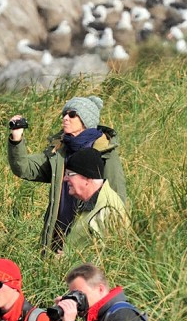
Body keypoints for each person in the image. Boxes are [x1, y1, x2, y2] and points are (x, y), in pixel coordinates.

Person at [8, 95, 128, 251]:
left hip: (85, 241)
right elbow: (24, 168)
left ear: (86, 119)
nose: (65, 118)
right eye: (64, 114)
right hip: (56, 236)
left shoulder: (105, 153)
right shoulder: (59, 151)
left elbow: (117, 199)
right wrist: (16, 139)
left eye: (72, 114)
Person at [49, 263, 149, 321]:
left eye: (79, 294)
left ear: (100, 289)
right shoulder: (95, 319)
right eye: (72, 294)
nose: (77, 300)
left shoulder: (123, 315)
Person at [58, 148, 129, 250]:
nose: (65, 178)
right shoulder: (91, 201)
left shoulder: (107, 210)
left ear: (87, 178)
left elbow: (108, 254)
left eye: (69, 174)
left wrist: (67, 257)